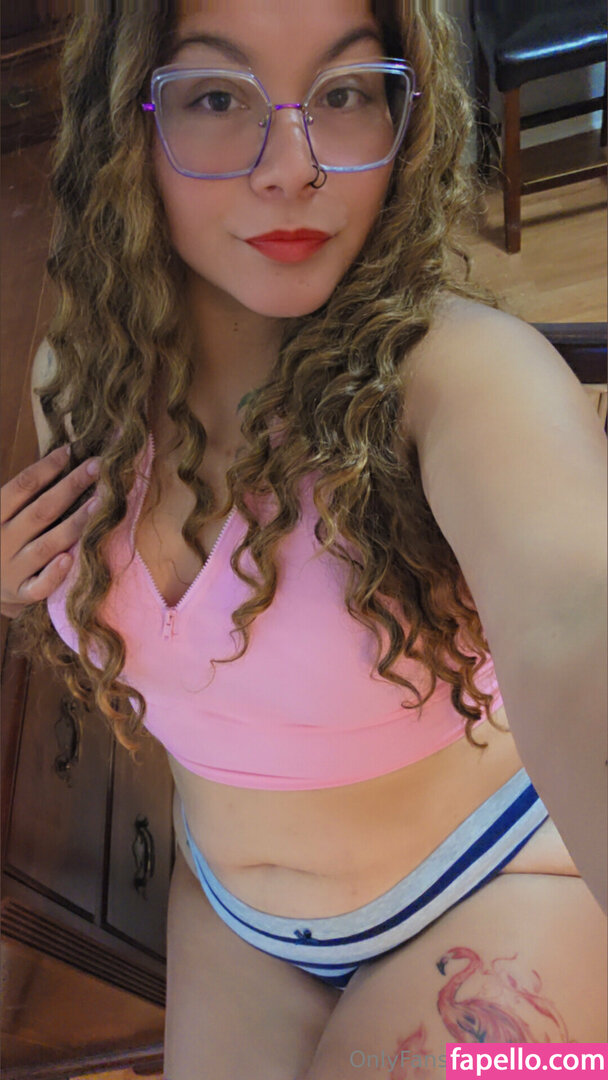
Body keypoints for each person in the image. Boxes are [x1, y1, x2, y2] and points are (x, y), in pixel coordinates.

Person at [1, 2, 606, 1077]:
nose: (294, 167)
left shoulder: (463, 378)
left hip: (506, 884)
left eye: (343, 93)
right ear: (130, 121)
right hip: (231, 920)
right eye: (216, 97)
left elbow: (577, 625)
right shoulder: (78, 381)